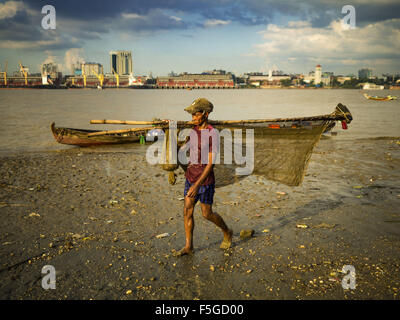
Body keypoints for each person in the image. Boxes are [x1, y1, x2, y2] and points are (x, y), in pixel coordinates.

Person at [176, 98, 233, 256]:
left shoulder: (212, 133)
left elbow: (210, 164)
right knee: (187, 211)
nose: (193, 117)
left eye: (196, 114)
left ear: (206, 114)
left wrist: (197, 185)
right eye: (192, 114)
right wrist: (169, 129)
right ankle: (189, 246)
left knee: (206, 213)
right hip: (190, 176)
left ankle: (227, 231)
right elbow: (184, 149)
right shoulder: (193, 130)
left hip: (205, 181)